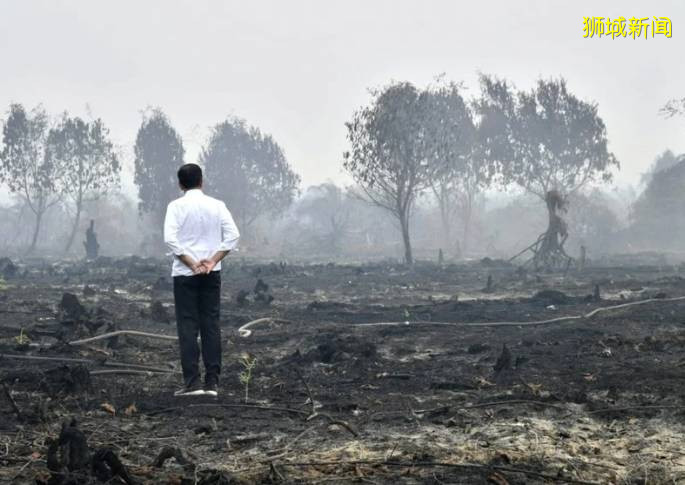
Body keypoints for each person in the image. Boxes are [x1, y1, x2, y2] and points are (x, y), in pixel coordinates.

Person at [164, 163, 240, 397]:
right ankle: (212, 383)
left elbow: (170, 239)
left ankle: (192, 383)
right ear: (202, 181)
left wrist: (191, 262)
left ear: (180, 184)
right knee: (210, 324)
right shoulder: (217, 206)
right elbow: (233, 236)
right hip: (211, 273)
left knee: (188, 326)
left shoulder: (176, 207)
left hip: (185, 275)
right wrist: (212, 260)